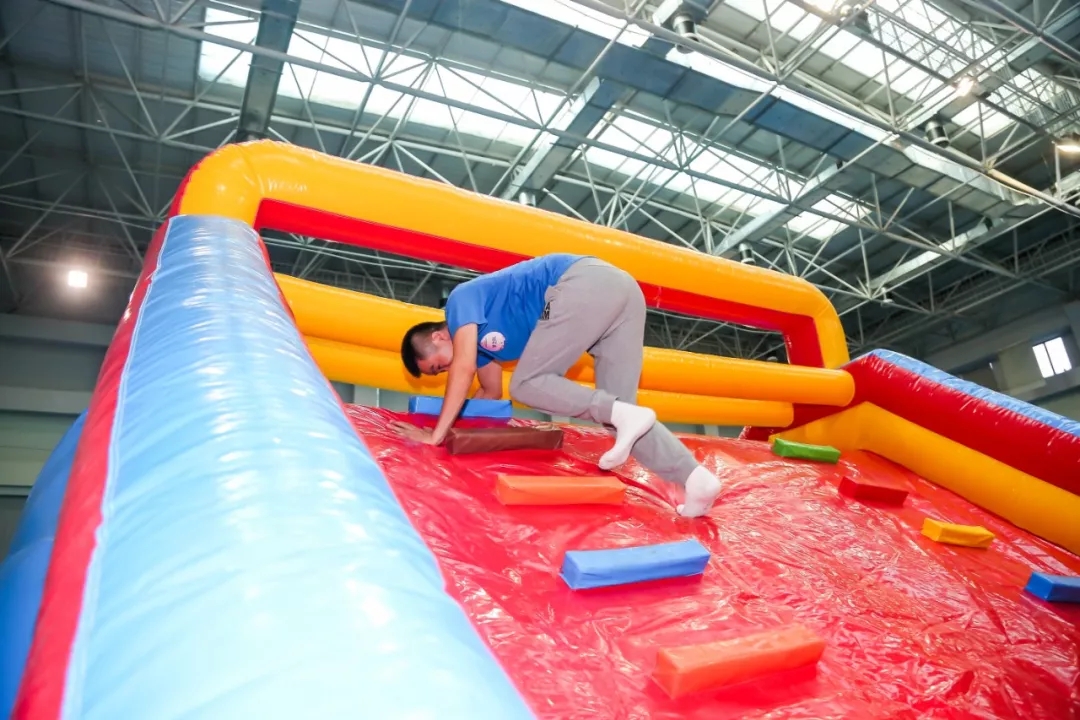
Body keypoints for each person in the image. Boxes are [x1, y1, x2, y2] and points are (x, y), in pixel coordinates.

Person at [390, 253, 723, 517]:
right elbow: (489, 393)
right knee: (620, 417)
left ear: (438, 336)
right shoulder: (482, 351)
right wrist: (457, 435)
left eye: (437, 366)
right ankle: (695, 479)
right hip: (623, 293)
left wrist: (434, 435)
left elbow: (462, 370)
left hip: (584, 282)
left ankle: (627, 416)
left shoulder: (459, 302)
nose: (445, 370)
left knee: (527, 384)